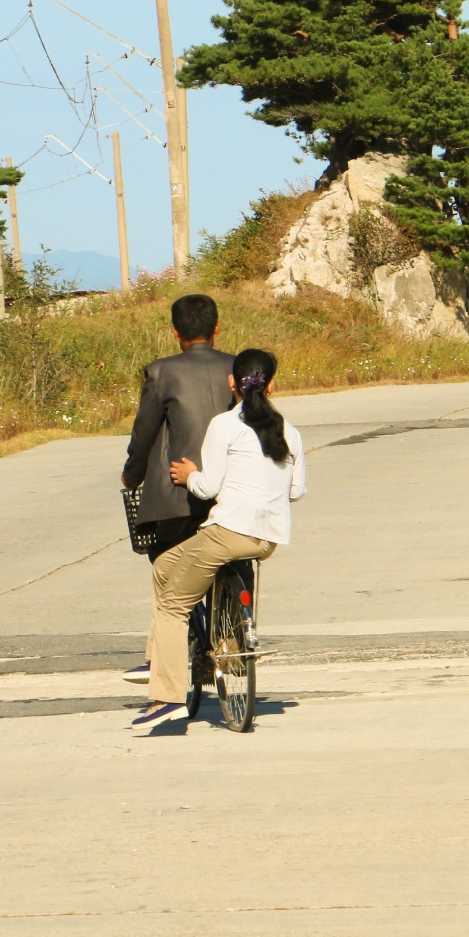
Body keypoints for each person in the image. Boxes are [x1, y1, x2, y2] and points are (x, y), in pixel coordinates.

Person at [133, 348, 307, 729]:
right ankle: (185, 651)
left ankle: (166, 696)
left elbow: (206, 486)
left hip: (226, 533)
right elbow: (296, 491)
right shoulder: (289, 431)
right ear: (273, 385)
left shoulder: (225, 425)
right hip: (267, 539)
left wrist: (189, 474)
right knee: (167, 565)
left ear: (232, 383)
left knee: (172, 606)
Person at [120, 294, 233, 685]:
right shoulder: (238, 367)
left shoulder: (160, 372)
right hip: (230, 493)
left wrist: (131, 475)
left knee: (167, 572)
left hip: (176, 497)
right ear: (217, 327)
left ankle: (160, 657)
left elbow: (145, 432)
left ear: (175, 332)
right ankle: (233, 636)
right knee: (233, 562)